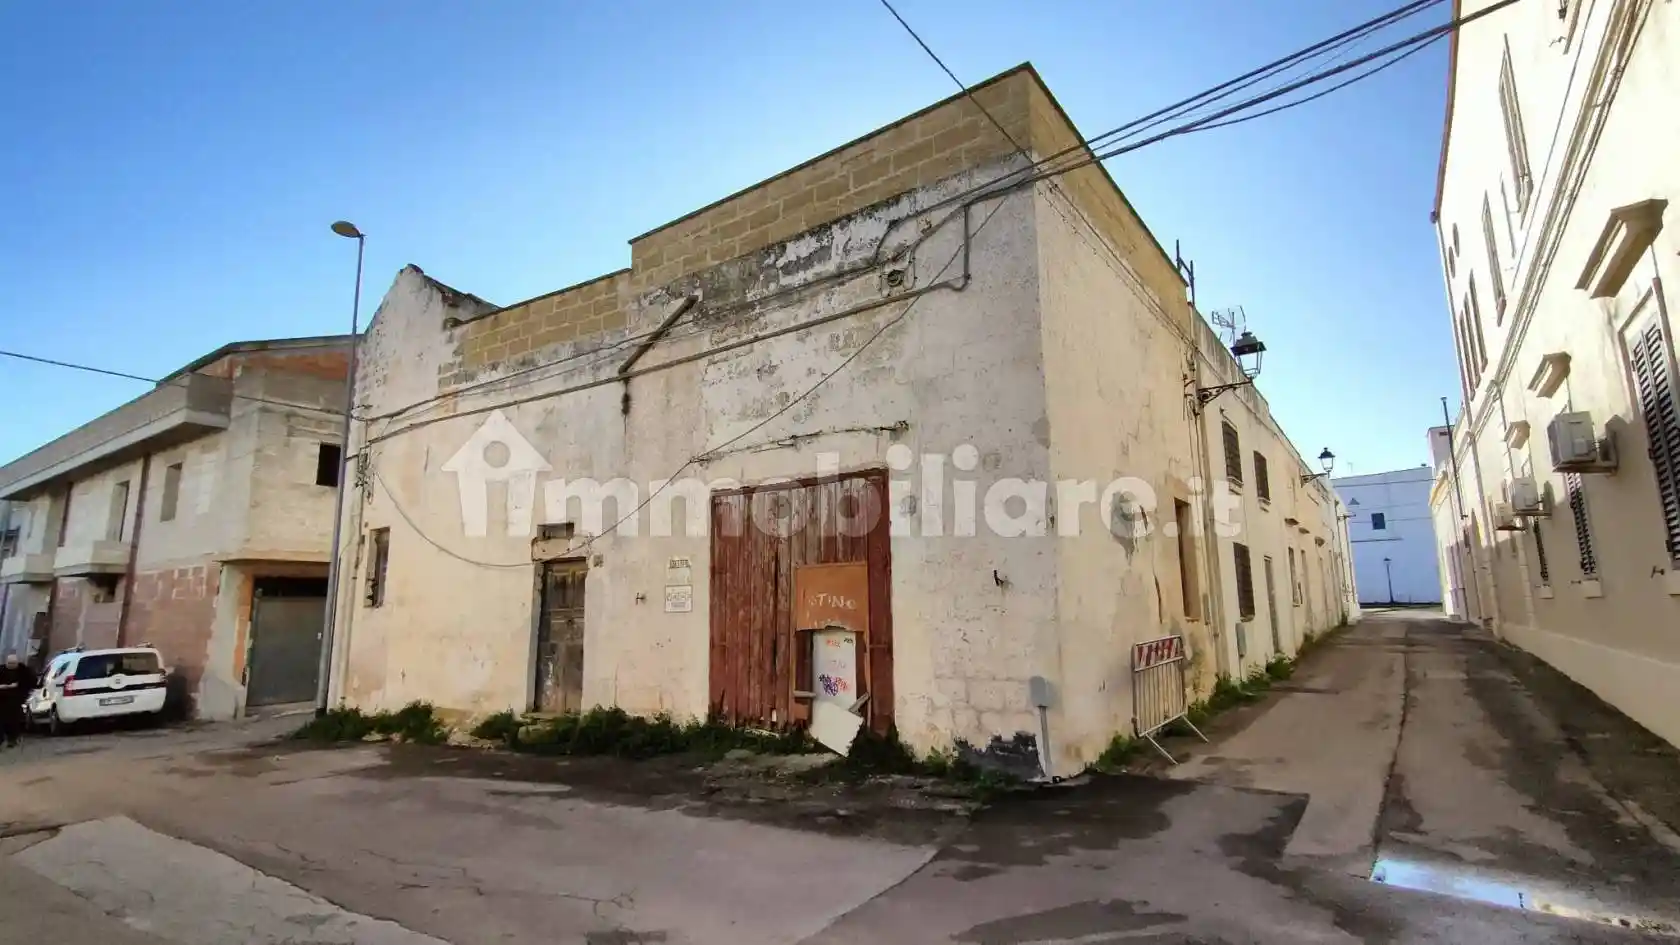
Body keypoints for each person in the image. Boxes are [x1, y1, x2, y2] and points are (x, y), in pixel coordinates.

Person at [0, 651, 37, 748]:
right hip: (2, 700)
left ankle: (12, 739)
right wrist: (4, 686)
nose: (12, 666)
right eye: (10, 664)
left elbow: (31, 682)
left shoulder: (23, 670)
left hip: (16, 700)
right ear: (6, 663)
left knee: (14, 720)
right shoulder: (1, 670)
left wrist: (20, 686)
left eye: (13, 664)